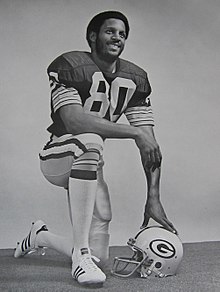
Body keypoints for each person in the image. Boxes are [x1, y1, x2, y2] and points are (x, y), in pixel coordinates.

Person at [14, 11, 177, 287]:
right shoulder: (71, 66)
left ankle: (40, 236)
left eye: (122, 34)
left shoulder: (134, 78)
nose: (117, 38)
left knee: (99, 254)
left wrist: (153, 197)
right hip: (58, 154)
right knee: (91, 140)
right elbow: (74, 121)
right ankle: (80, 256)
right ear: (93, 36)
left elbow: (150, 145)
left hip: (89, 162)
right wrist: (134, 132)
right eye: (110, 31)